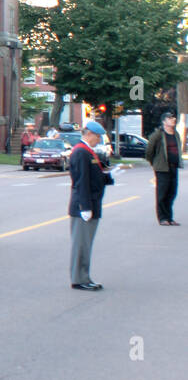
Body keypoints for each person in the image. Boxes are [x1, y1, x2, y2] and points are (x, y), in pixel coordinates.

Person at [68, 120, 114, 291]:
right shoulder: (81, 152)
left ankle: (84, 276)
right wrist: (85, 207)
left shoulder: (88, 151)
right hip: (84, 206)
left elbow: (93, 175)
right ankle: (79, 279)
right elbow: (81, 182)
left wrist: (108, 176)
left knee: (85, 244)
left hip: (90, 203)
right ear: (89, 134)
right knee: (81, 245)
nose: (99, 140)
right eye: (97, 136)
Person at [144, 112, 181, 225]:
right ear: (164, 121)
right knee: (162, 193)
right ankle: (163, 218)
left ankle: (169, 217)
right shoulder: (158, 135)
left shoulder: (176, 134)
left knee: (172, 192)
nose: (173, 119)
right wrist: (154, 163)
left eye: (173, 118)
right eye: (170, 118)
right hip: (162, 168)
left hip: (174, 167)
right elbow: (149, 151)